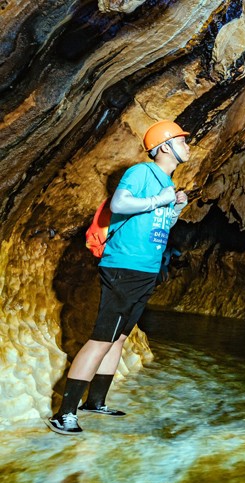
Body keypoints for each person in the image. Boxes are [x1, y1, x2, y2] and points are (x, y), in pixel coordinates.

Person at [47, 120, 192, 434]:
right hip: (124, 266)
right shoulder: (142, 173)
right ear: (165, 146)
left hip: (146, 270)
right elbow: (119, 204)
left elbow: (159, 223)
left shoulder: (166, 183)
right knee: (101, 338)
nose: (187, 145)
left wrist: (175, 206)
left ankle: (95, 402)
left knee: (120, 337)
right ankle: (64, 413)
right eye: (182, 140)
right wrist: (161, 200)